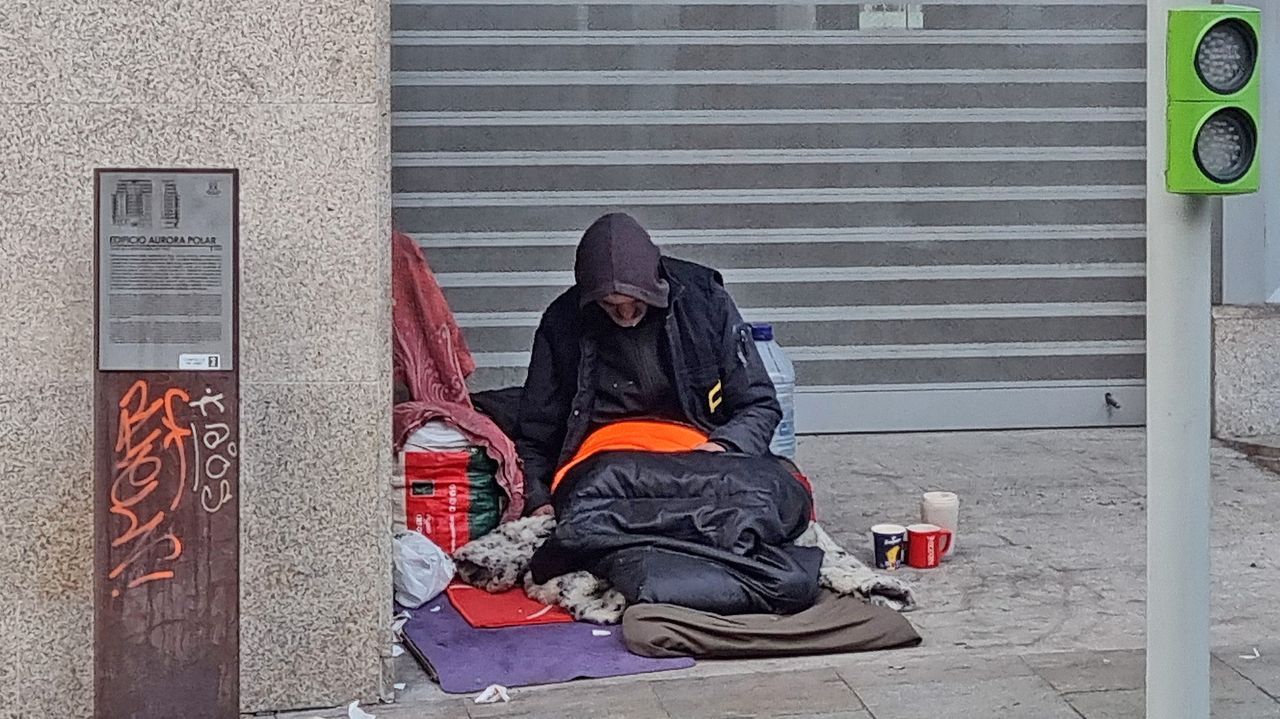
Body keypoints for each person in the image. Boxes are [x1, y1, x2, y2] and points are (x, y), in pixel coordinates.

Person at [516, 212, 782, 515]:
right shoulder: (562, 321)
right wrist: (538, 500)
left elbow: (759, 404)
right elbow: (535, 435)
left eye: (636, 304)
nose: (626, 317)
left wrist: (722, 447)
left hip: (698, 457)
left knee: (767, 503)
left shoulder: (703, 302)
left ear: (656, 286)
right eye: (611, 307)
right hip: (603, 467)